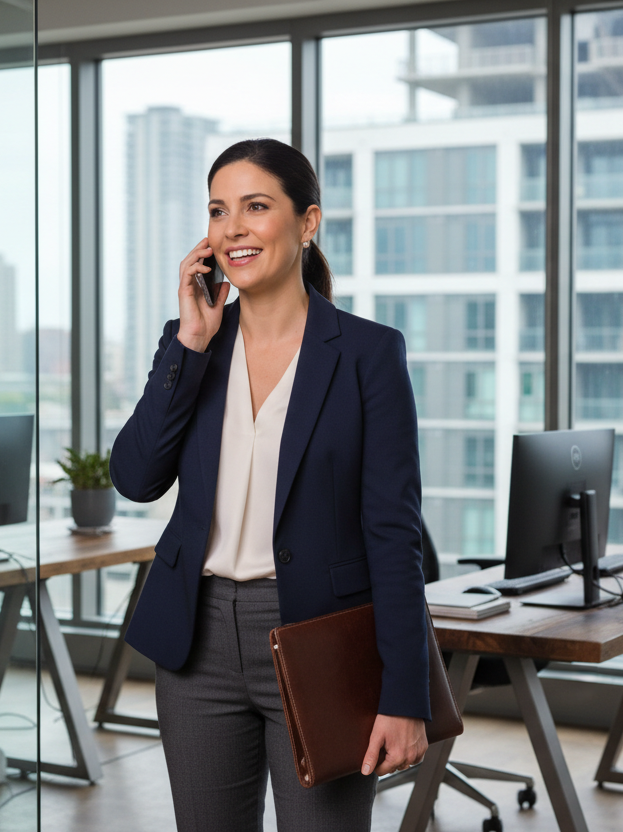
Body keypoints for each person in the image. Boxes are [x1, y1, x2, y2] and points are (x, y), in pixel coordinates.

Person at [110, 138, 431, 832]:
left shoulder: (369, 354)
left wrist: (405, 694)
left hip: (319, 638)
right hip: (197, 645)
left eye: (256, 207)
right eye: (219, 211)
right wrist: (188, 345)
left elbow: (393, 531)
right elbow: (135, 479)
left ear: (307, 222)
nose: (233, 228)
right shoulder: (194, 344)